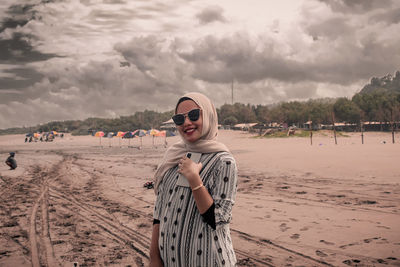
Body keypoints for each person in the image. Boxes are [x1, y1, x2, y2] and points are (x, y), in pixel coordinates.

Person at [150, 92, 238, 266]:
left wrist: (194, 180)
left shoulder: (223, 161)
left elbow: (218, 219)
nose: (187, 123)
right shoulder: (173, 157)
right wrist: (154, 257)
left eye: (193, 115)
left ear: (208, 115)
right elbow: (159, 212)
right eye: (179, 119)